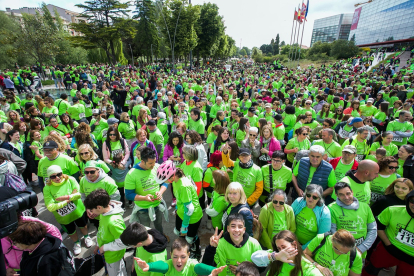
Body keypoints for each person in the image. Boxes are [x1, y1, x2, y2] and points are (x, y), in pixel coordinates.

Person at [156, 160, 203, 259]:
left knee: (191, 237)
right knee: (181, 235)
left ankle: (196, 250)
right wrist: (177, 208)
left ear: (172, 176)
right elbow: (179, 198)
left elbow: (189, 209)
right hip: (182, 213)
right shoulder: (175, 180)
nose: (165, 182)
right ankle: (185, 250)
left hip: (192, 216)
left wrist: (185, 226)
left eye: (166, 180)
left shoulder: (183, 186)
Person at [362, 190, 414, 276]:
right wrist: (388, 244)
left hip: (411, 258)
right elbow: (378, 226)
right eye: (412, 201)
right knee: (370, 270)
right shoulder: (393, 210)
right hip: (388, 249)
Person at [43, 165, 92, 255]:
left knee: (83, 225)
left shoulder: (70, 179)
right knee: (70, 230)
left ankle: (86, 236)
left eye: (59, 174)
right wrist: (68, 200)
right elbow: (50, 207)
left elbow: (79, 194)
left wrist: (62, 200)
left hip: (78, 211)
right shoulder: (47, 188)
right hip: (63, 216)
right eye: (53, 176)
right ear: (49, 177)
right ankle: (76, 242)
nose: (57, 177)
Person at [84, 189, 127, 276]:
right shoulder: (104, 213)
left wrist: (104, 248)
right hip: (109, 253)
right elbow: (101, 231)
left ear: (99, 207)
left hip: (113, 256)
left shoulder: (113, 221)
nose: (91, 212)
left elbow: (123, 242)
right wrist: (97, 245)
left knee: (116, 273)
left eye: (92, 210)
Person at [125, 148, 168, 235]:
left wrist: (160, 192)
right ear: (142, 161)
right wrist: (144, 198)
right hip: (143, 209)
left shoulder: (157, 166)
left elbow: (165, 182)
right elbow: (129, 195)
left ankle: (160, 237)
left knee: (159, 225)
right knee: (145, 229)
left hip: (157, 205)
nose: (153, 165)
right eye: (150, 163)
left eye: (154, 162)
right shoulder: (132, 174)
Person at [329, 182, 377, 259]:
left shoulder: (365, 207)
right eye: (341, 194)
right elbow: (332, 231)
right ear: (336, 195)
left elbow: (373, 230)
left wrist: (361, 248)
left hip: (361, 252)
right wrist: (342, 248)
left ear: (352, 192)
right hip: (340, 251)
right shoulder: (331, 208)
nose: (346, 197)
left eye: (348, 193)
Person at [8, 220, 75, 276]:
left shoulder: (46, 261)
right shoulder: (30, 249)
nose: (14, 245)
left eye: (15, 242)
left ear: (27, 241)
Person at [135, 237, 224, 276]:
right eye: (175, 256)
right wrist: (149, 266)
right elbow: (163, 266)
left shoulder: (191, 264)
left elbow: (199, 267)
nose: (179, 261)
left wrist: (211, 270)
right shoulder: (169, 264)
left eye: (183, 257)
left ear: (189, 255)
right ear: (171, 254)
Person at [251, 230, 323, 276]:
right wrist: (276, 256)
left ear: (294, 245)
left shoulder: (308, 269)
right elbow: (254, 257)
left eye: (284, 247)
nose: (282, 251)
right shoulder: (277, 255)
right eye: (279, 248)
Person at [291, 184, 331, 249]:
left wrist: (303, 248)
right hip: (292, 241)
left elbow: (321, 237)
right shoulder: (298, 202)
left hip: (311, 246)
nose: (310, 199)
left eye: (314, 197)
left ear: (319, 198)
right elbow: (288, 220)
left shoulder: (324, 213)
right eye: (308, 195)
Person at [102, 126, 131, 207]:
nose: (112, 136)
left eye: (114, 134)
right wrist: (115, 164)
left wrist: (123, 162)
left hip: (123, 166)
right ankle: (122, 203)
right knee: (119, 187)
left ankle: (130, 201)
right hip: (114, 167)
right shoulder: (106, 143)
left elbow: (127, 153)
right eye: (110, 134)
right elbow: (105, 158)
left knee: (128, 184)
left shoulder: (122, 141)